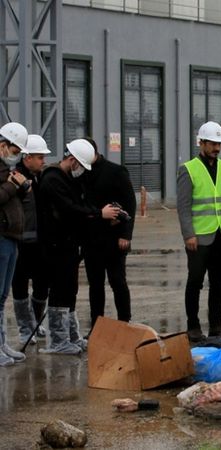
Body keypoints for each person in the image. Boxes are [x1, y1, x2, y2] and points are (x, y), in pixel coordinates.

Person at [38, 138, 120, 355]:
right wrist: (97, 214)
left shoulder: (65, 178)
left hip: (69, 244)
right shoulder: (52, 179)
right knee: (59, 290)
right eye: (80, 166)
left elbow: (80, 204)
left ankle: (71, 335)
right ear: (72, 160)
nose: (81, 171)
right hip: (55, 244)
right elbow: (69, 208)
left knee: (70, 289)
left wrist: (98, 211)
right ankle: (57, 340)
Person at [177, 121, 221, 342]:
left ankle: (215, 326)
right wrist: (188, 234)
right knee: (195, 281)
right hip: (199, 237)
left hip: (220, 235)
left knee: (218, 282)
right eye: (212, 143)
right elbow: (183, 206)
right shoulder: (188, 169)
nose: (216, 148)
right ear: (201, 143)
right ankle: (193, 326)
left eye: (219, 144)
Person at [82, 139, 136, 330]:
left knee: (117, 281)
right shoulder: (82, 173)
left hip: (114, 238)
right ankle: (97, 326)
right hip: (91, 239)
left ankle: (125, 323)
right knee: (95, 285)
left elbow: (130, 203)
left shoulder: (116, 172)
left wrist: (126, 235)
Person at [11, 135, 50, 347]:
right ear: (27, 158)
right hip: (20, 243)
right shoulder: (15, 178)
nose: (43, 161)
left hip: (39, 242)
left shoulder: (39, 177)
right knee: (20, 286)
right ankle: (25, 329)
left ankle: (35, 320)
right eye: (39, 157)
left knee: (42, 284)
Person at [0, 122, 30, 366]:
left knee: (2, 296)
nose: (16, 155)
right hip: (1, 236)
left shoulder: (6, 170)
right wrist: (12, 185)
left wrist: (23, 186)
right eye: (14, 150)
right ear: (3, 146)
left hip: (11, 237)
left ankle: (1, 344)